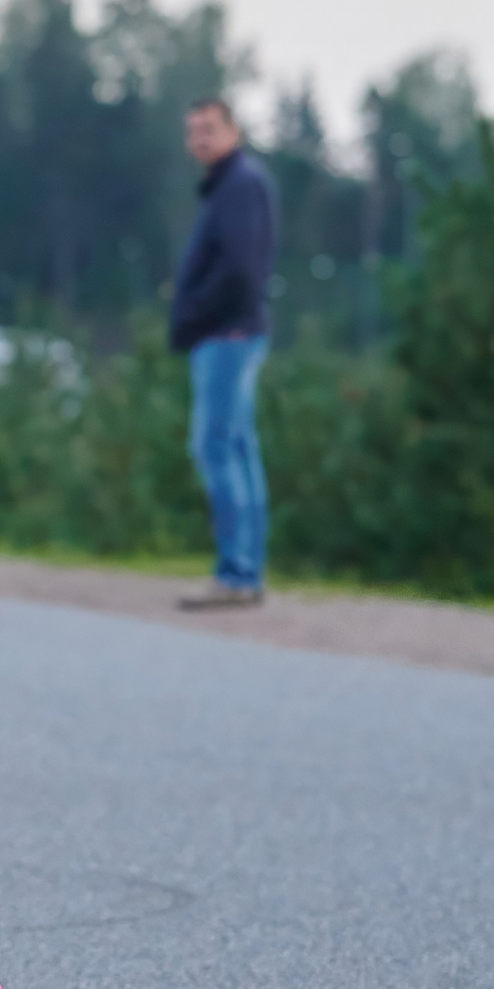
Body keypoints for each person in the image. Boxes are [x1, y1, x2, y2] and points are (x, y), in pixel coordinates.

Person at [170, 97, 277, 610]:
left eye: (209, 129)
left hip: (227, 336)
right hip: (233, 333)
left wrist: (193, 315)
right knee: (238, 448)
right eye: (193, 132)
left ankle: (235, 573)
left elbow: (239, 268)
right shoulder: (231, 185)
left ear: (234, 130)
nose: (200, 140)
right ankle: (245, 572)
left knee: (215, 446)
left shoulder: (238, 186)